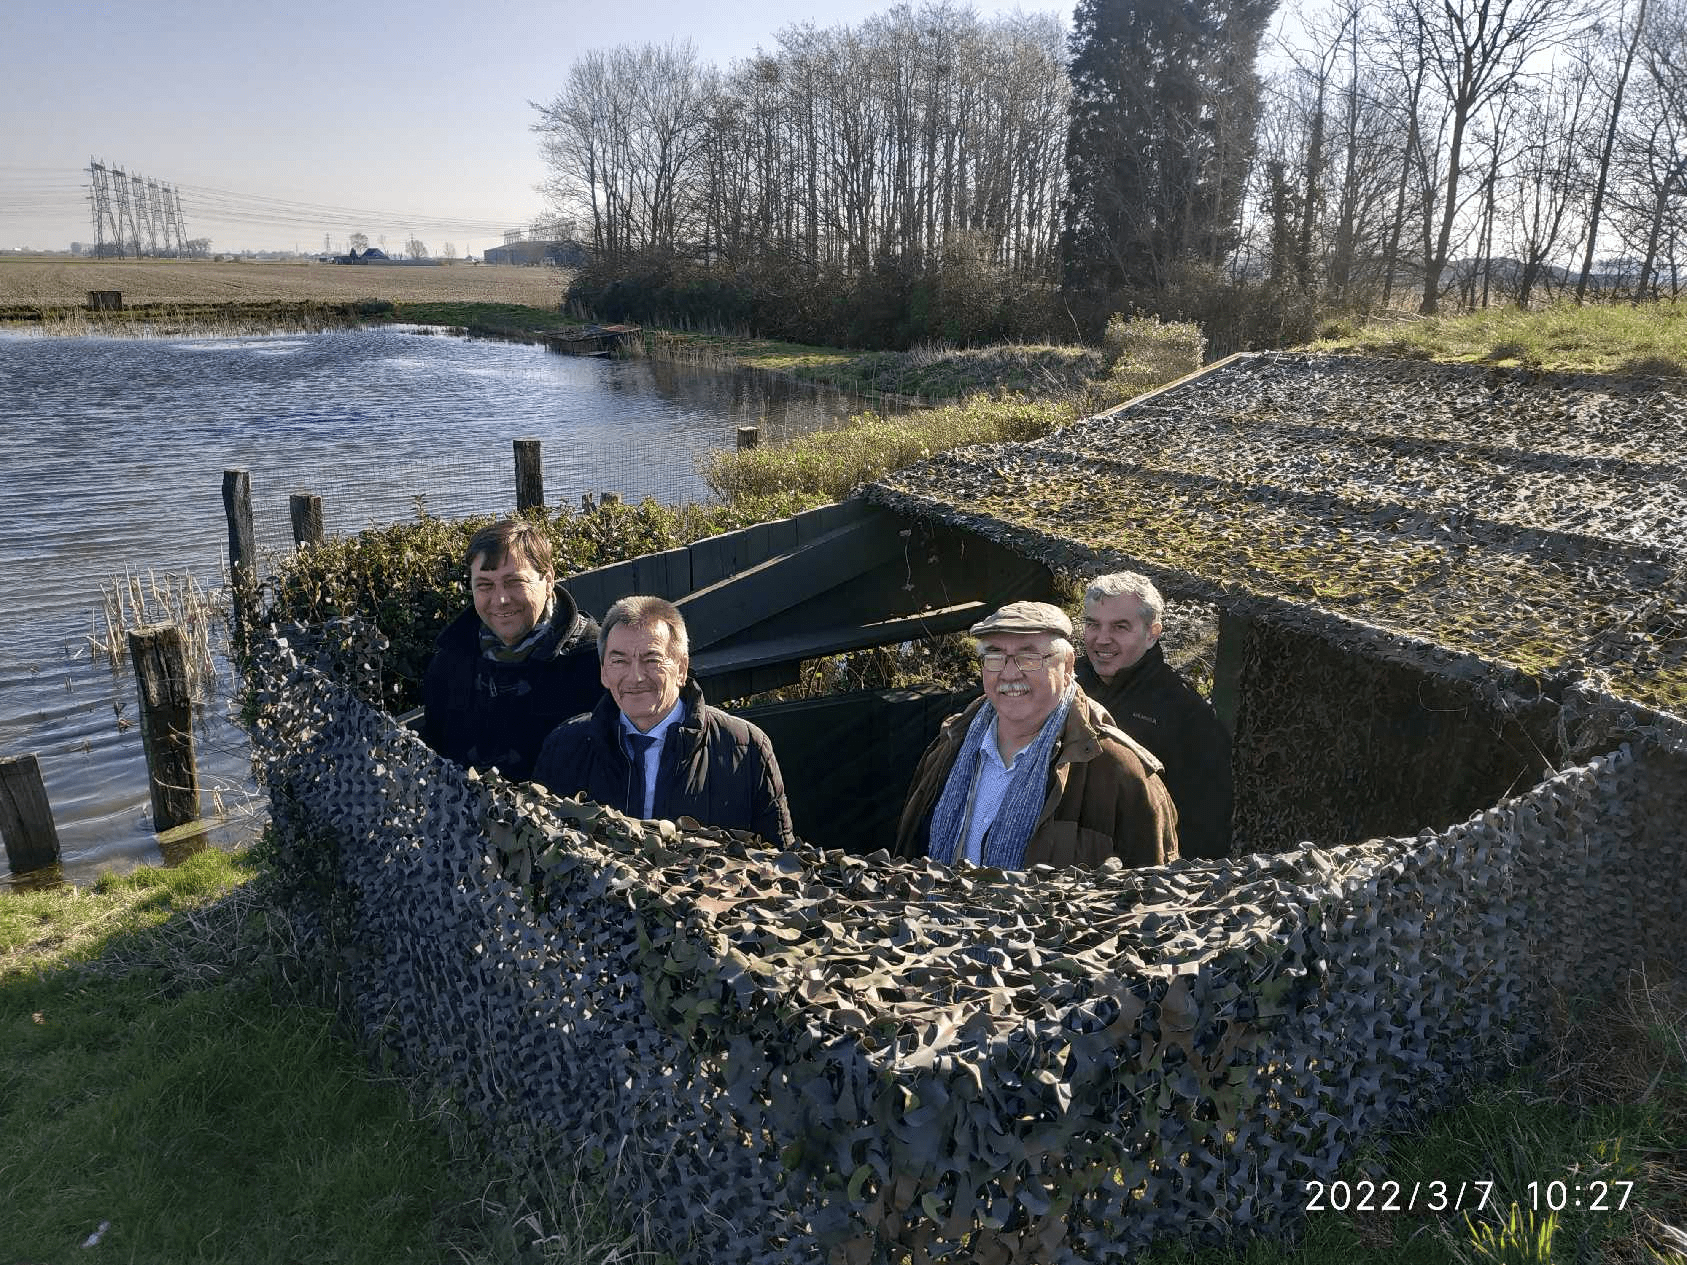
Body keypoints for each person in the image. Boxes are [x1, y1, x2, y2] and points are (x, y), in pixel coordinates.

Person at [893, 600, 1178, 870]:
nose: (1009, 674)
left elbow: (1153, 899)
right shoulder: (950, 744)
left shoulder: (1120, 770)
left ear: (1067, 667)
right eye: (995, 656)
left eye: (1028, 658)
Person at [532, 595, 796, 846]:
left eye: (652, 659)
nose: (635, 677)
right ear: (603, 673)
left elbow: (780, 865)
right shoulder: (564, 748)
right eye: (619, 661)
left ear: (681, 668)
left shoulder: (746, 748)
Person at [421, 519, 601, 784]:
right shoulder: (449, 663)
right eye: (485, 585)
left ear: (548, 579)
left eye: (514, 581)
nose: (500, 600)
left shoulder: (596, 664)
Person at [1077, 571, 1234, 860]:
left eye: (1120, 627)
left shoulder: (1187, 716)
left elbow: (1206, 828)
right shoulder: (1064, 684)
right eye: (1093, 624)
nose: (1102, 639)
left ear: (1152, 633)